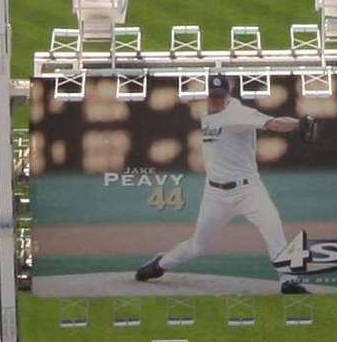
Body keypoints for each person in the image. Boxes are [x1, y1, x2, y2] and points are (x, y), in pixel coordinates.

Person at [134, 72, 312, 295]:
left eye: (221, 95)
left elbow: (274, 124)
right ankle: (160, 264)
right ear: (207, 95)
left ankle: (289, 281)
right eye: (213, 95)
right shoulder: (205, 114)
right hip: (215, 194)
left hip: (249, 190)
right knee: (198, 246)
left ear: (228, 93)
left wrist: (298, 124)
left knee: (273, 230)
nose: (217, 99)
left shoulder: (239, 113)